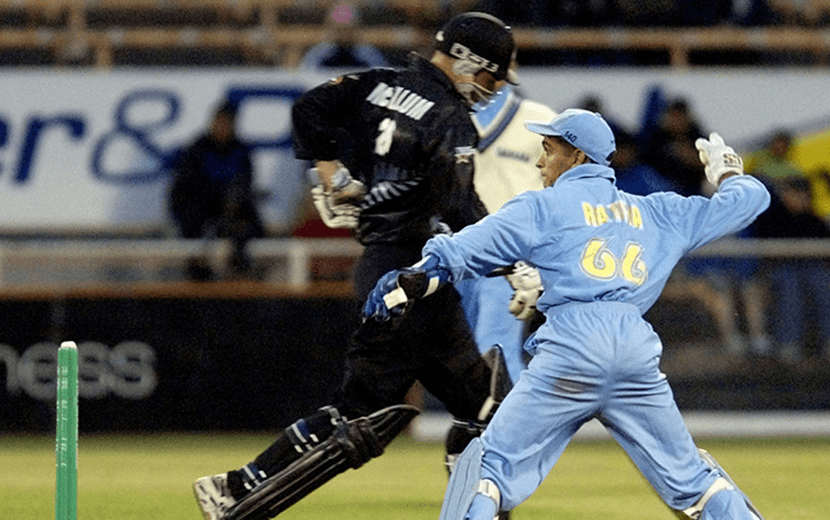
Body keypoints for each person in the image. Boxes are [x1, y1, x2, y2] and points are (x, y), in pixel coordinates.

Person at [364, 109, 770, 520]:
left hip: (572, 346)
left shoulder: (545, 206)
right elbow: (750, 202)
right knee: (693, 480)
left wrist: (412, 276)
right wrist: (729, 174)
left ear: (577, 156)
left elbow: (462, 250)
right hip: (633, 349)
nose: (540, 162)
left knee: (487, 466)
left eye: (548, 149)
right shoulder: (657, 211)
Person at [193, 12, 519, 520]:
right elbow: (459, 207)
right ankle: (238, 488)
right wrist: (512, 259)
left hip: (401, 268)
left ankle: (473, 509)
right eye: (492, 74)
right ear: (467, 61)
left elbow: (309, 108)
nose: (494, 88)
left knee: (484, 405)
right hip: (407, 275)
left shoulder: (378, 83)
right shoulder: (451, 117)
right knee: (359, 417)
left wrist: (332, 175)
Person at [456, 83, 556, 383]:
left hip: (515, 253)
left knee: (495, 347)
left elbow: (569, 182)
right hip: (458, 249)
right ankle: (485, 427)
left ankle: (516, 428)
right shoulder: (448, 115)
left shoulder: (540, 118)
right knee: (467, 354)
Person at [753, 174, 830, 362]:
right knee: (790, 289)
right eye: (790, 193)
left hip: (813, 268)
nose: (794, 198)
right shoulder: (774, 218)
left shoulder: (815, 219)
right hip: (783, 268)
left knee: (822, 284)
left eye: (799, 194)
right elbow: (766, 251)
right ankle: (788, 344)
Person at [168, 101, 265, 280]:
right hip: (200, 209)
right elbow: (186, 189)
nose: (222, 128)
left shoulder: (240, 151)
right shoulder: (197, 150)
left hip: (230, 210)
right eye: (219, 122)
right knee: (196, 225)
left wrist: (232, 204)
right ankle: (198, 271)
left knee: (248, 227)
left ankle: (242, 271)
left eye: (227, 123)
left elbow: (245, 184)